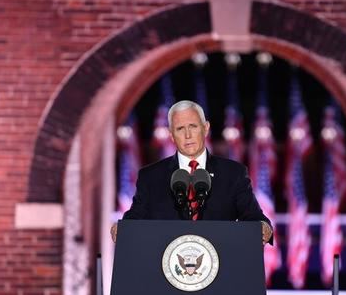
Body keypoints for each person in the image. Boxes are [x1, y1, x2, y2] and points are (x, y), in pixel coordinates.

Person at [111, 100, 273, 244]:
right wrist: (123, 228)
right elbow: (136, 217)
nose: (187, 135)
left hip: (222, 268)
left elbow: (253, 217)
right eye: (180, 129)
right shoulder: (151, 177)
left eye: (193, 127)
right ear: (172, 136)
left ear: (206, 128)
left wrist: (264, 228)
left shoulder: (233, 173)